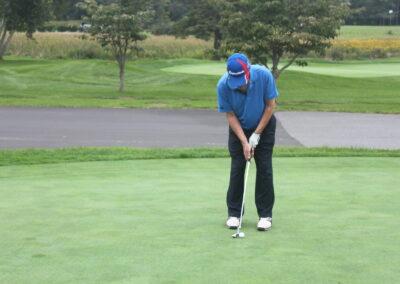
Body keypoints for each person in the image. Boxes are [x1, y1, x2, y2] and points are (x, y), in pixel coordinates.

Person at [216, 53, 278, 231]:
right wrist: (244, 141)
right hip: (239, 128)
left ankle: (265, 215)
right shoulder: (223, 85)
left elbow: (270, 106)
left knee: (264, 167)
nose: (240, 85)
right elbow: (230, 115)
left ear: (248, 70)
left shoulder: (264, 75)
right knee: (237, 168)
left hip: (264, 125)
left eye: (242, 80)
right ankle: (234, 213)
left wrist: (257, 134)